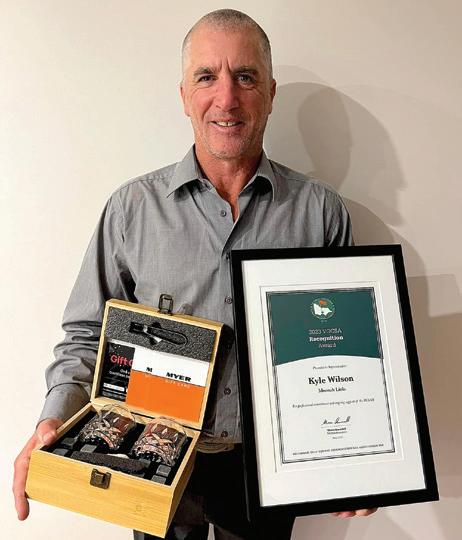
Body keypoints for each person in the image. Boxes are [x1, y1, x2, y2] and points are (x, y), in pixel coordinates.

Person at [13, 9, 376, 540]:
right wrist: (54, 419)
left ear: (270, 93)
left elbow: (344, 353)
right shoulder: (131, 210)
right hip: (148, 457)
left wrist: (360, 457)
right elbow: (87, 335)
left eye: (245, 77)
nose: (226, 98)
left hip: (267, 467)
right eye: (207, 77)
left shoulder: (321, 213)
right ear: (184, 96)